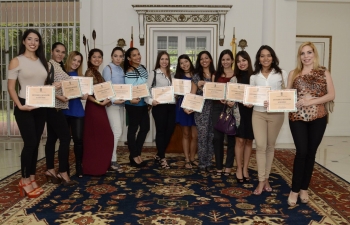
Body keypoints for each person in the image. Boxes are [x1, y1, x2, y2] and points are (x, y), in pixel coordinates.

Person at [287, 42, 335, 206]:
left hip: (319, 117)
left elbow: (331, 95)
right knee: (301, 152)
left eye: (309, 52)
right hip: (297, 118)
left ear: (314, 54)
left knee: (311, 153)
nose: (306, 56)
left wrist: (311, 101)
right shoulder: (294, 73)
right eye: (302, 53)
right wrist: (272, 102)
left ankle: (304, 188)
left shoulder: (324, 72)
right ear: (299, 56)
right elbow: (287, 96)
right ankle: (294, 190)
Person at [7, 29, 47, 197]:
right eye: (29, 39)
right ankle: (23, 180)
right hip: (24, 106)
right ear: (23, 41)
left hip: (40, 105)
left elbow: (44, 84)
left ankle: (31, 177)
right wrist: (19, 106)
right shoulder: (17, 61)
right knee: (30, 143)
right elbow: (11, 87)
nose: (33, 42)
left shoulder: (42, 61)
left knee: (36, 143)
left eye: (36, 40)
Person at [250, 45, 287, 195]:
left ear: (273, 58)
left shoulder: (281, 74)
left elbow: (287, 95)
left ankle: (266, 179)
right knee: (260, 146)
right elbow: (251, 96)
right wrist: (248, 101)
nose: (266, 59)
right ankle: (261, 180)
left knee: (270, 146)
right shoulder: (254, 77)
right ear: (258, 59)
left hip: (276, 115)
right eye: (262, 56)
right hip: (258, 113)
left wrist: (275, 101)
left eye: (269, 55)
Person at [44, 42, 77, 186]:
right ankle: (63, 172)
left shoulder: (58, 66)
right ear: (52, 51)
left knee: (52, 139)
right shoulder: (48, 65)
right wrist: (59, 97)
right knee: (65, 137)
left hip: (57, 107)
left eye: (63, 52)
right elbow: (43, 87)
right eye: (57, 51)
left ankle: (50, 169)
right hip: (52, 107)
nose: (60, 54)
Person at [82, 49, 114, 175]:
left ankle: (99, 166)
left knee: (100, 137)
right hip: (94, 107)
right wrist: (98, 103)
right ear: (90, 59)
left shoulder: (97, 72)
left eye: (99, 57)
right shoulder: (89, 72)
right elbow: (87, 93)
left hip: (100, 107)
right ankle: (94, 168)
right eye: (94, 57)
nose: (97, 59)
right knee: (100, 137)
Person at [185, 51, 215, 173]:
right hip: (201, 110)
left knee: (211, 136)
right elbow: (192, 93)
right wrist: (187, 106)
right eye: (201, 58)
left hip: (214, 109)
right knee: (202, 137)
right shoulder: (196, 76)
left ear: (210, 60)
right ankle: (202, 163)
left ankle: (209, 161)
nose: (204, 60)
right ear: (199, 61)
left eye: (206, 58)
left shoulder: (215, 74)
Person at [145, 51, 176, 169]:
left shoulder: (171, 75)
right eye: (162, 59)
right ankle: (162, 158)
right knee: (161, 131)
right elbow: (146, 90)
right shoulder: (153, 73)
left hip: (171, 105)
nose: (164, 61)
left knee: (170, 131)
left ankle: (159, 154)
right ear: (158, 60)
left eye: (166, 59)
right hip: (159, 106)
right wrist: (150, 101)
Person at [63, 51, 87, 178]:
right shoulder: (61, 74)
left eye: (79, 61)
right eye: (74, 60)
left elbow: (84, 96)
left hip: (77, 109)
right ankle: (64, 167)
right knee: (65, 141)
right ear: (69, 59)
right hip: (64, 110)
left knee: (78, 139)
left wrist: (85, 94)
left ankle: (78, 165)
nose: (76, 63)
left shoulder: (81, 77)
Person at [123, 47, 149, 168]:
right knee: (133, 129)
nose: (138, 57)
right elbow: (130, 89)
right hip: (133, 104)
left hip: (143, 103)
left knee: (145, 128)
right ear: (129, 58)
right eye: (134, 55)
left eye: (138, 54)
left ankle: (136, 153)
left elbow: (145, 85)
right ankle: (134, 156)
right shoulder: (129, 70)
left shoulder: (143, 68)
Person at [231, 51, 254, 183]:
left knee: (249, 141)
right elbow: (231, 97)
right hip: (239, 113)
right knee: (239, 141)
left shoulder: (255, 78)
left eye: (244, 60)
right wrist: (229, 101)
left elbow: (259, 95)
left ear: (248, 61)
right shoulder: (234, 79)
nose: (241, 63)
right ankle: (239, 168)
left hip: (253, 113)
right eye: (239, 61)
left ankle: (246, 168)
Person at [212, 49, 236, 176]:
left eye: (228, 59)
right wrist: (218, 97)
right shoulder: (215, 75)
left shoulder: (236, 75)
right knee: (217, 138)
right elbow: (212, 92)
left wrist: (233, 101)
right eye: (223, 59)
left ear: (232, 60)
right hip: (217, 108)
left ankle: (228, 166)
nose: (225, 62)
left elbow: (240, 91)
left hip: (232, 108)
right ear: (220, 61)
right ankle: (219, 166)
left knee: (232, 138)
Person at [102, 47, 125, 172]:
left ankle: (111, 158)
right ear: (111, 56)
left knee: (118, 132)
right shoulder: (108, 69)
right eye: (116, 56)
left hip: (121, 105)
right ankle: (112, 160)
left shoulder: (121, 69)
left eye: (120, 56)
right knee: (116, 131)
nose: (118, 58)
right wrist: (112, 100)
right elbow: (106, 88)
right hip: (112, 105)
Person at [174, 54, 198, 169]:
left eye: (186, 61)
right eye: (181, 63)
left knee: (195, 135)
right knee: (186, 134)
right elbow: (176, 95)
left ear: (190, 61)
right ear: (179, 65)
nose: (184, 64)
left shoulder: (197, 74)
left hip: (195, 106)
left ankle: (193, 158)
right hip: (183, 107)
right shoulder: (178, 77)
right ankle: (187, 159)